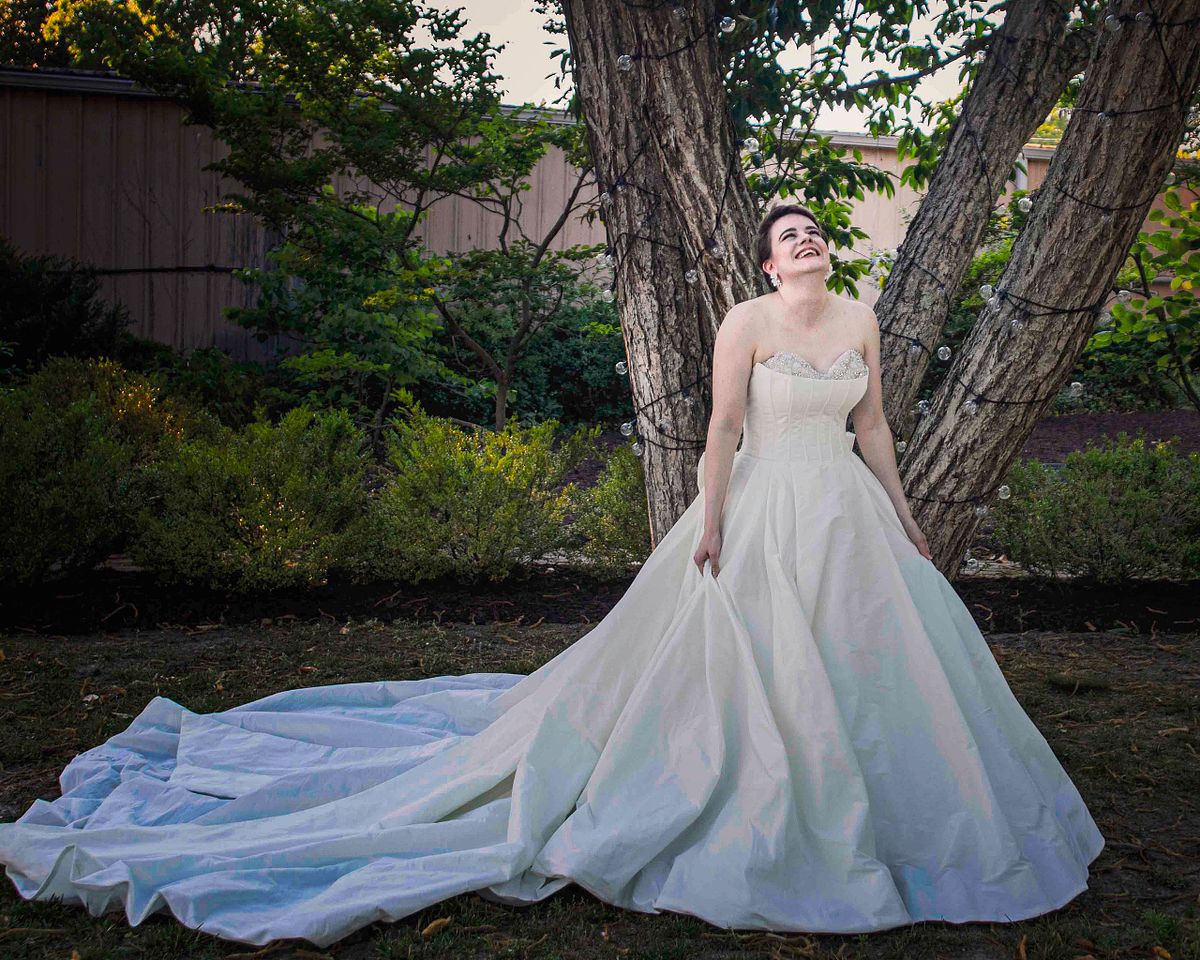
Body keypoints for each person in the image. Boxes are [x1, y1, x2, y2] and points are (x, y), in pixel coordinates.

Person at [0, 203, 1104, 947]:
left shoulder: (860, 319)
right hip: (763, 512)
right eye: (789, 237)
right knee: (757, 667)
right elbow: (720, 431)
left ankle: (882, 812)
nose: (807, 242)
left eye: (815, 229)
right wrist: (707, 527)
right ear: (768, 265)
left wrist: (908, 521)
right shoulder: (746, 321)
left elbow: (873, 428)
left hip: (850, 518)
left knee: (870, 666)